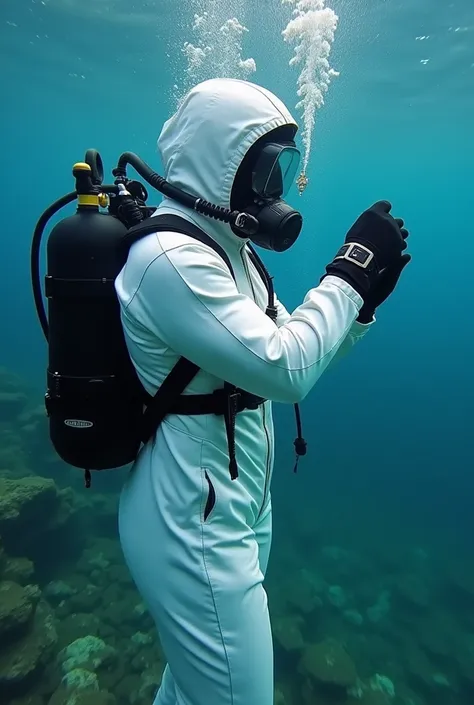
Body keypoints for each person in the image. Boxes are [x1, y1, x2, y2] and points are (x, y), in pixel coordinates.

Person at [114, 77, 410, 705]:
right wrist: (349, 274)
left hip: (234, 505)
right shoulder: (171, 258)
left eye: (285, 167)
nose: (276, 189)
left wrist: (358, 308)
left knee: (192, 690)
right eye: (269, 166)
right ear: (224, 160)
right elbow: (284, 367)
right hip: (190, 525)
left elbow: (284, 360)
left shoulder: (229, 249)